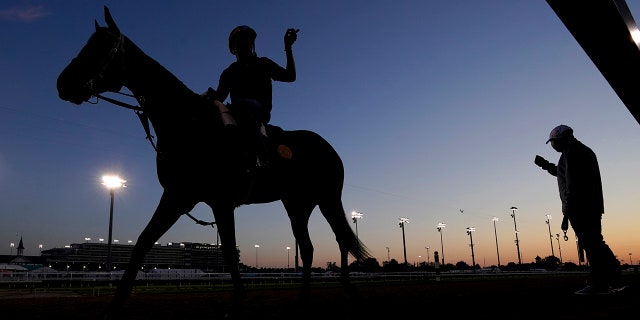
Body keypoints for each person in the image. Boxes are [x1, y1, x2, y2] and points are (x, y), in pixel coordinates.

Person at [534, 124, 622, 295]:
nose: (554, 146)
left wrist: (567, 211)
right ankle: (614, 277)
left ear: (561, 139)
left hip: (580, 207)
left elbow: (572, 184)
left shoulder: (572, 153)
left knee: (591, 244)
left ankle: (599, 284)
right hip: (590, 205)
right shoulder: (580, 151)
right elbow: (564, 174)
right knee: (596, 242)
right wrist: (545, 165)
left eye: (553, 143)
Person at [212, 25, 298, 167]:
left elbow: (290, 76)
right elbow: (218, 98)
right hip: (235, 114)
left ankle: (261, 158)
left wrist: (288, 48)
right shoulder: (229, 72)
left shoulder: (263, 63)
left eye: (247, 40)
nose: (245, 43)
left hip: (258, 112)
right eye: (240, 41)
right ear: (234, 47)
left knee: (244, 105)